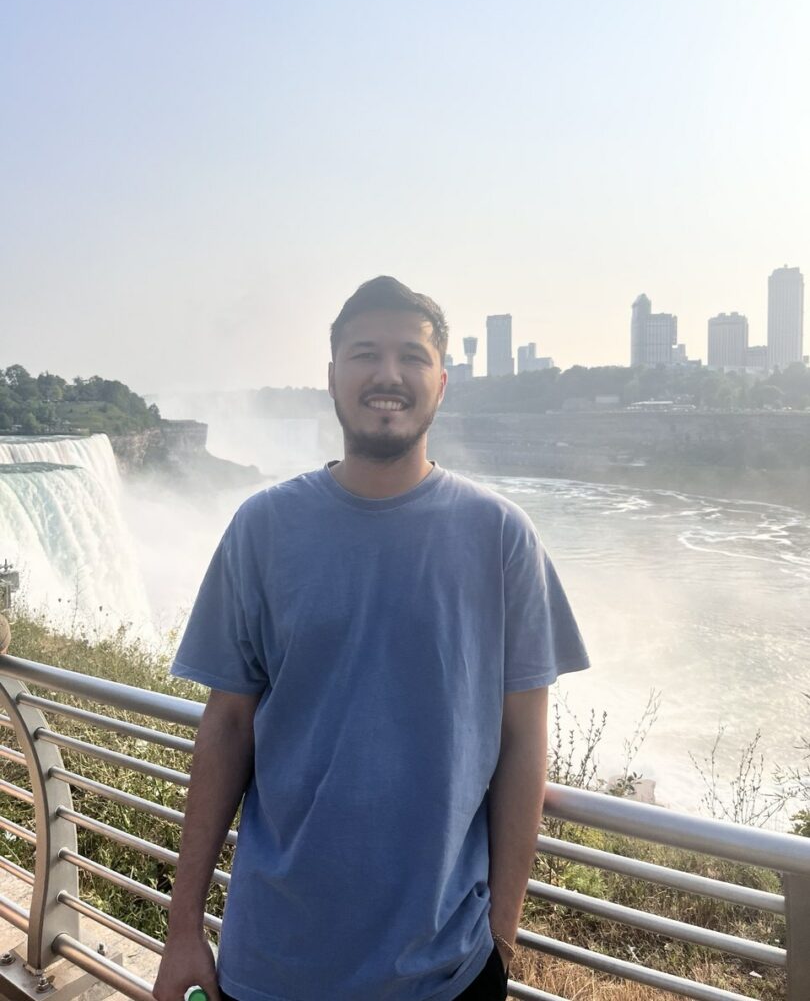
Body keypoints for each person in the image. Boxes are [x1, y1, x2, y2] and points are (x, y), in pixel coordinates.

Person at [153, 276, 589, 1001]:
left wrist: (501, 941)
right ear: (332, 377)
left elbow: (523, 742)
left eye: (412, 356)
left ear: (441, 383)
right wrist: (182, 929)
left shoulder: (500, 537)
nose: (388, 375)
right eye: (365, 354)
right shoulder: (263, 528)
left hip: (445, 973)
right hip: (273, 966)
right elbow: (226, 728)